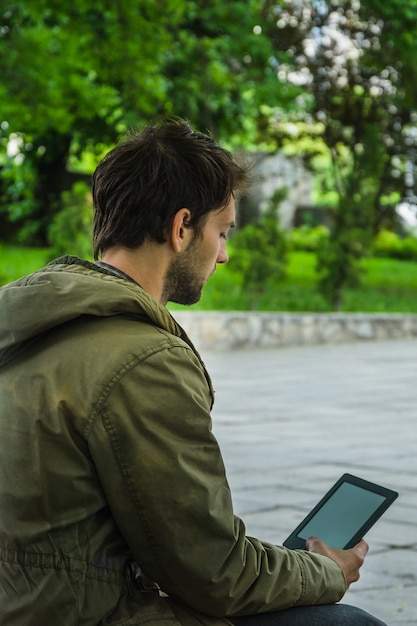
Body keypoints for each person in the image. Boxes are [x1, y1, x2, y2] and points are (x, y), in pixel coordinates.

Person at [0, 119, 387, 626]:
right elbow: (215, 575)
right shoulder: (142, 361)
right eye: (222, 232)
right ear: (181, 228)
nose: (224, 254)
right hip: (87, 614)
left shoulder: (24, 325)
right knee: (347, 624)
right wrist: (325, 571)